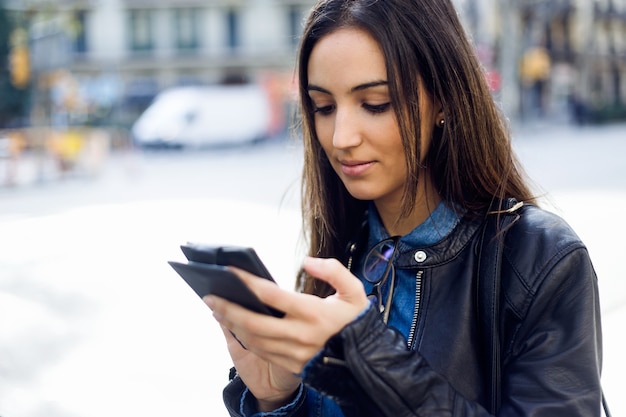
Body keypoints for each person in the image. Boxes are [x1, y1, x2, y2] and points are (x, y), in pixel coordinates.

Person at [204, 0, 605, 416]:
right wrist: (278, 399)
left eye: (375, 104)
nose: (341, 137)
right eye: (323, 107)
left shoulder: (540, 260)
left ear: (445, 100)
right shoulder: (344, 253)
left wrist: (374, 358)